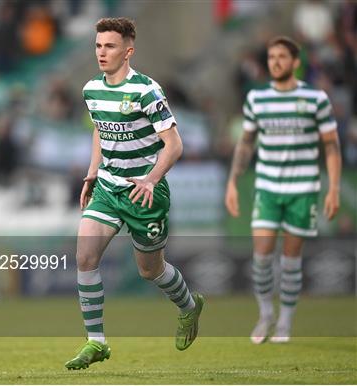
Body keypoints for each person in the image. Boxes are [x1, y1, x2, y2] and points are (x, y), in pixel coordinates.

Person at [65, 17, 204, 370]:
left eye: (109, 46)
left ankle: (188, 305)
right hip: (109, 188)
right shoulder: (91, 89)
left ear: (128, 51)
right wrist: (92, 173)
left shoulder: (146, 90)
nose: (102, 52)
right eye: (98, 45)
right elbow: (99, 130)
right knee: (84, 257)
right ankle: (96, 341)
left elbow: (174, 145)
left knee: (150, 271)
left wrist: (151, 179)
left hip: (145, 194)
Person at [225, 36, 341, 344]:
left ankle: (286, 323)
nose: (275, 62)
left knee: (291, 259)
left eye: (281, 57)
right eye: (271, 57)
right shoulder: (257, 100)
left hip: (303, 188)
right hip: (267, 187)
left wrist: (334, 189)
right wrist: (233, 182)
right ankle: (265, 315)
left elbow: (331, 146)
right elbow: (246, 143)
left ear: (295, 62)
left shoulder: (315, 99)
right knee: (261, 256)